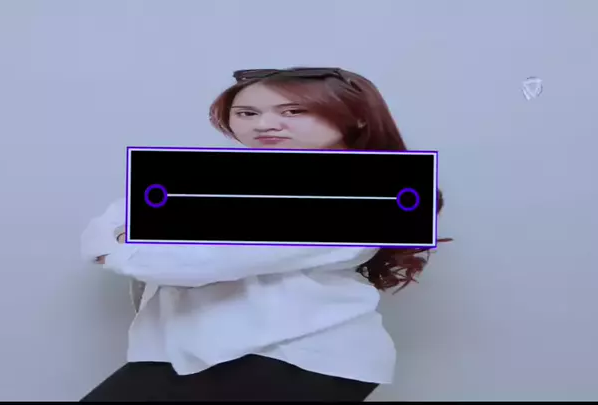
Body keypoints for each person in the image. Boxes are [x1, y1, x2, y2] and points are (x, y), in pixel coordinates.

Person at [79, 67, 450, 401]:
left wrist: (124, 246)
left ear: (355, 116)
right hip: (182, 353)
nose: (265, 124)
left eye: (293, 111)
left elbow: (201, 263)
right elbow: (102, 230)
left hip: (298, 355)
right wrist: (128, 242)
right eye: (247, 113)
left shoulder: (371, 192)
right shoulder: (207, 176)